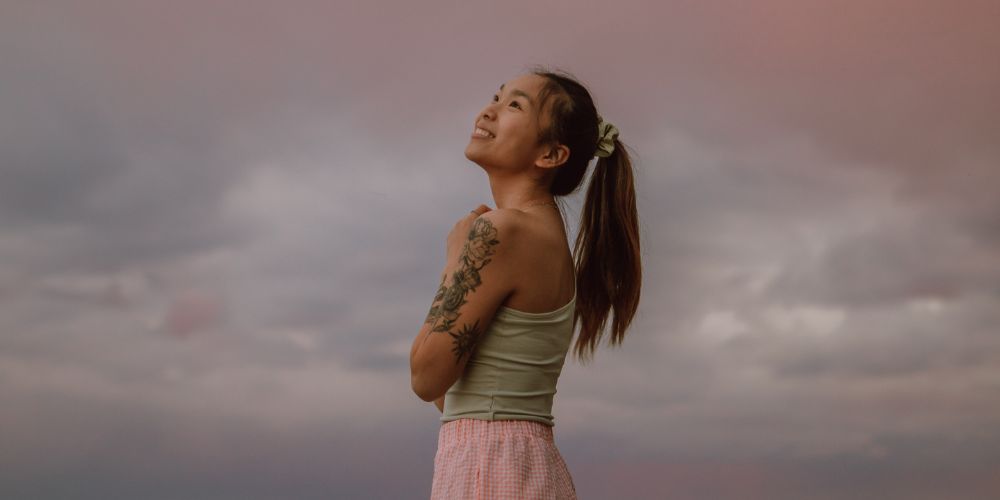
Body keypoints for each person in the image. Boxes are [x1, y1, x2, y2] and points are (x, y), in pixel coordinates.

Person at [409, 66, 642, 499]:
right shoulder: (545, 237)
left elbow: (424, 377)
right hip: (519, 465)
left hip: (491, 470)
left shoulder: (502, 232)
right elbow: (449, 391)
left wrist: (455, 263)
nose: (490, 111)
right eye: (496, 97)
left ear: (551, 155)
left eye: (515, 105)